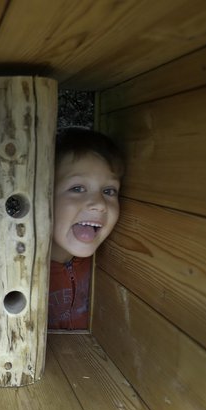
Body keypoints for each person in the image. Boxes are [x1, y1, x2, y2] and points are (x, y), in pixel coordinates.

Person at [48, 127, 125, 330]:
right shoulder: (17, 267)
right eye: (77, 188)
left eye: (109, 191)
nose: (99, 204)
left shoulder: (105, 266)